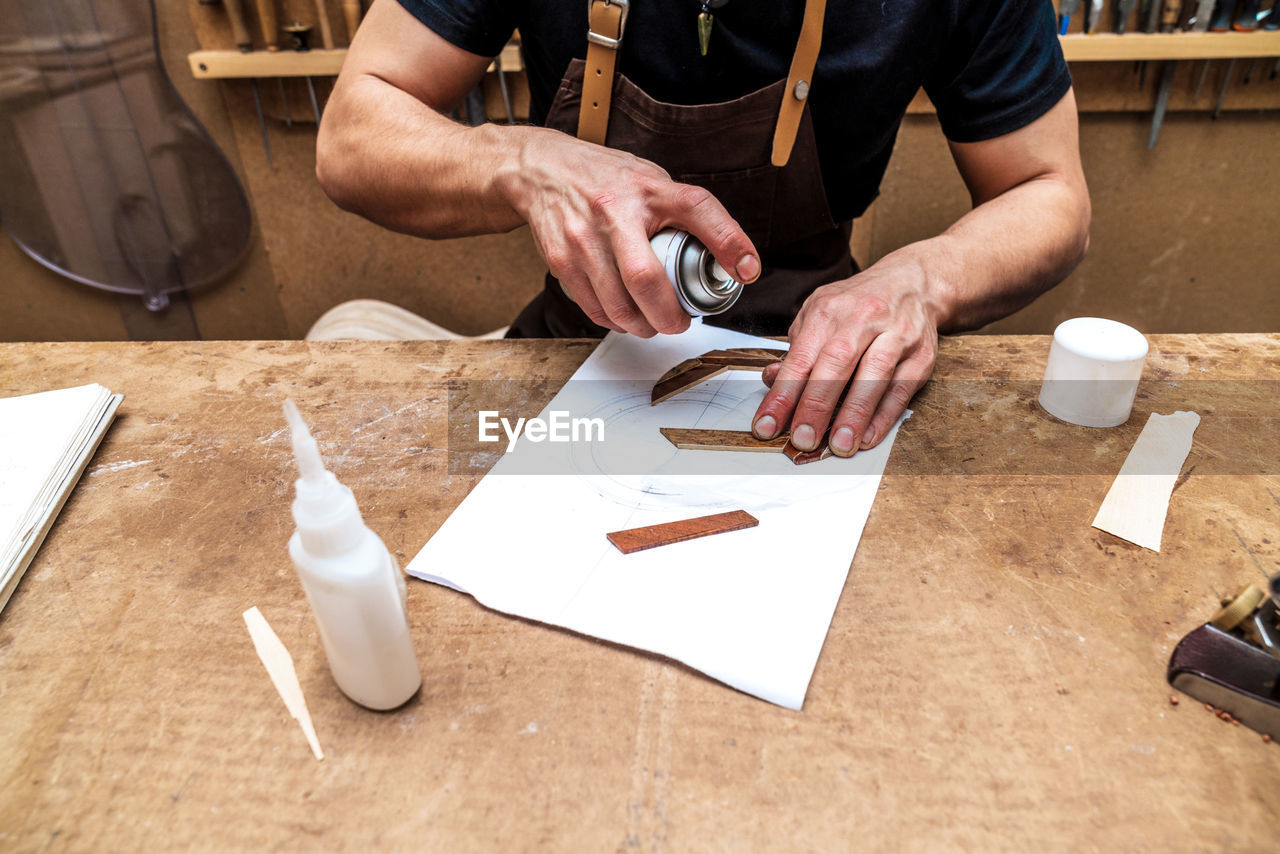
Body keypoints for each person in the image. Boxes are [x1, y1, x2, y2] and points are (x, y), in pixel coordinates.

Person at [316, 0, 1091, 458]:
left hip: (814, 365)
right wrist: (524, 162)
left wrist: (926, 279)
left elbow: (1050, 191)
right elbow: (353, 138)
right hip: (578, 347)